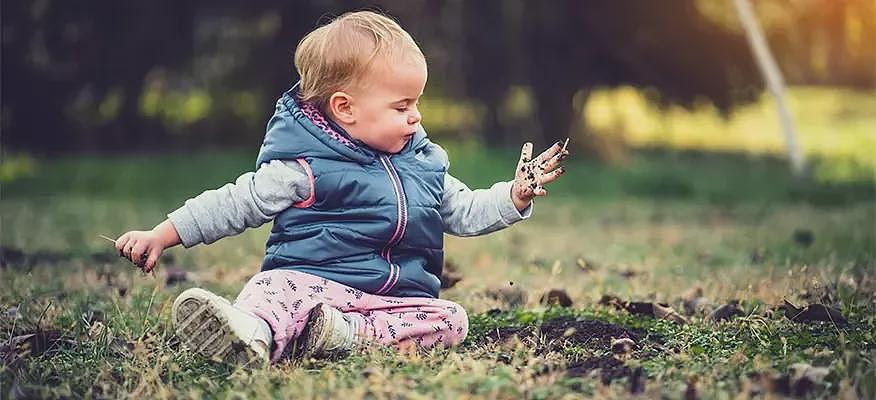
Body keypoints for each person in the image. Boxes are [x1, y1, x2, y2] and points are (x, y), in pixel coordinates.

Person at [114, 10, 568, 367]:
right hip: (313, 285)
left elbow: (465, 211)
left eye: (417, 103)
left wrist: (514, 195)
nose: (416, 116)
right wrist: (164, 234)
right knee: (274, 288)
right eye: (402, 105)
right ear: (345, 108)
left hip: (390, 301)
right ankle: (250, 333)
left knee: (450, 320)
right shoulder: (304, 168)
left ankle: (343, 338)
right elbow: (235, 203)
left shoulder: (425, 165)